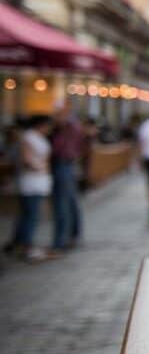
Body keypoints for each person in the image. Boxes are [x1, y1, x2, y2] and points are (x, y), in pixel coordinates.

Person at [9, 115, 54, 258]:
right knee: (31, 215)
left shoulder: (36, 138)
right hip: (31, 180)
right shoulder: (28, 138)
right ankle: (25, 245)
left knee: (28, 214)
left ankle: (17, 243)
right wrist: (41, 167)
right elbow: (26, 159)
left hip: (38, 180)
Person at [50, 101, 85, 249]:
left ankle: (62, 240)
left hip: (63, 164)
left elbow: (59, 149)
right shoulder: (72, 126)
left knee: (63, 203)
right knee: (69, 202)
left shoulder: (68, 127)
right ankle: (72, 235)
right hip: (66, 165)